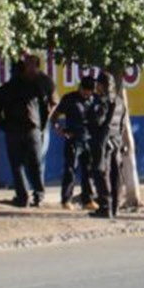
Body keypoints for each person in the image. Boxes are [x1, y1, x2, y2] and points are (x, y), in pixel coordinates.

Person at [0, 54, 55, 207]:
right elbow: (46, 107)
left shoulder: (7, 88)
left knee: (18, 165)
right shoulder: (35, 85)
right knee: (35, 163)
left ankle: (23, 197)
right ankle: (38, 195)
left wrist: (4, 126)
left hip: (17, 130)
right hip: (32, 129)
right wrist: (41, 125)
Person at [85, 74, 130, 218]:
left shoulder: (103, 101)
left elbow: (97, 120)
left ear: (102, 85)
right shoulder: (119, 101)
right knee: (115, 175)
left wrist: (89, 114)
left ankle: (105, 208)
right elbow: (122, 123)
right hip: (116, 141)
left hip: (103, 142)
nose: (96, 87)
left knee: (101, 173)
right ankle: (115, 207)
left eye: (98, 84)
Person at [53, 78, 96, 208]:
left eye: (89, 92)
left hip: (89, 139)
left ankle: (88, 200)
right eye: (85, 91)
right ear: (80, 87)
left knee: (88, 171)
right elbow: (55, 114)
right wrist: (58, 128)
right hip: (73, 139)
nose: (87, 94)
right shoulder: (69, 98)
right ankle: (66, 200)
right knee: (70, 170)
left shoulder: (94, 99)